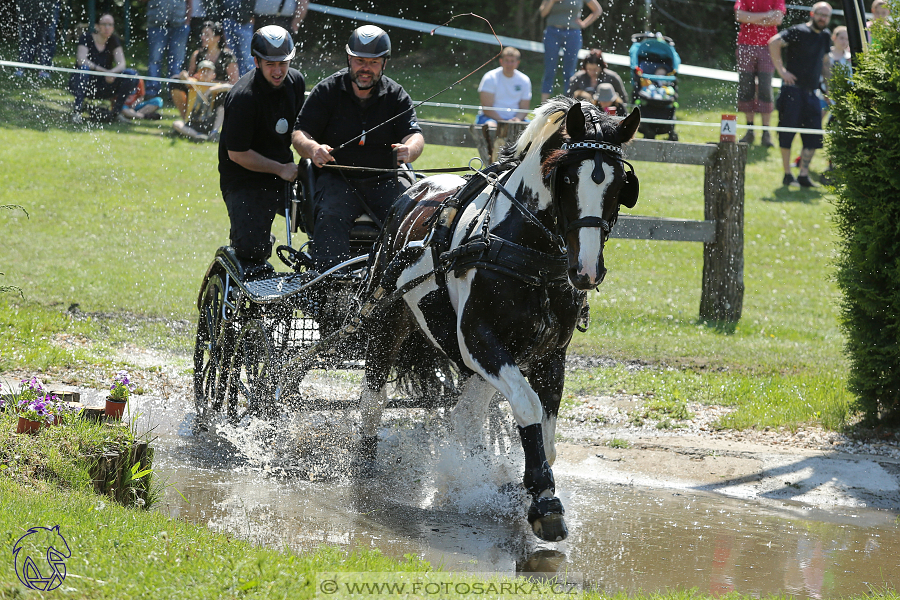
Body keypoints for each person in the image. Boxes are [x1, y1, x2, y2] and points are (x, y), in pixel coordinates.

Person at [292, 25, 424, 271]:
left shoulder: (396, 95)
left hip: (384, 178)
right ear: (349, 59)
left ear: (384, 63)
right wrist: (312, 148)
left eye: (373, 62)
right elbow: (299, 133)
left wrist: (410, 150)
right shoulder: (327, 90)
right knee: (331, 214)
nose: (365, 68)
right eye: (359, 60)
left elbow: (414, 135)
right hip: (337, 178)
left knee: (409, 216)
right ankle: (330, 285)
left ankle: (396, 281)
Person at [218, 25, 305, 272]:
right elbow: (236, 154)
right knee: (251, 251)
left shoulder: (296, 82)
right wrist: (280, 169)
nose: (278, 71)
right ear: (256, 61)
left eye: (283, 63)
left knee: (327, 213)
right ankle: (251, 243)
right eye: (270, 64)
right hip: (244, 179)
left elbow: (301, 128)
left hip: (286, 171)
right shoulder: (243, 97)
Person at [768, 1, 832, 188]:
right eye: (820, 14)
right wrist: (781, 70)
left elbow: (825, 63)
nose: (823, 18)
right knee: (787, 132)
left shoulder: (826, 36)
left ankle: (803, 175)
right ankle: (788, 174)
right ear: (812, 14)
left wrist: (828, 89)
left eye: (826, 15)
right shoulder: (798, 31)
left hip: (812, 93)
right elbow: (774, 42)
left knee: (813, 135)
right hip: (792, 91)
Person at [68, 13, 138, 124]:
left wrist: (112, 73)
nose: (107, 27)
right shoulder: (86, 38)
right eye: (104, 24)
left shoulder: (113, 40)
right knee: (84, 70)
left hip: (104, 84)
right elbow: (81, 60)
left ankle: (116, 113)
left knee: (131, 74)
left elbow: (122, 64)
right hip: (84, 81)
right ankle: (77, 112)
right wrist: (105, 72)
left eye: (110, 24)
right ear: (97, 26)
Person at [735, 0, 785, 146]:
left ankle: (766, 132)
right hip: (745, 45)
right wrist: (767, 16)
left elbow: (777, 19)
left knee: (765, 88)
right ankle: (750, 130)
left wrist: (752, 17)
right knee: (746, 88)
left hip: (768, 46)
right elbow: (739, 16)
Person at [171, 21, 238, 120]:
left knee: (225, 94)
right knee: (175, 82)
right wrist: (184, 77)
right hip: (197, 91)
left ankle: (213, 123)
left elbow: (234, 83)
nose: (202, 37)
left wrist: (211, 85)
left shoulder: (227, 56)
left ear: (217, 38)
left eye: (207, 35)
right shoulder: (197, 54)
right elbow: (190, 77)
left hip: (218, 92)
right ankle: (188, 119)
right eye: (202, 34)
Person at [539, 0, 603, 103]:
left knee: (569, 72)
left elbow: (597, 10)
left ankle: (567, 103)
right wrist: (552, 1)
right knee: (549, 70)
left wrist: (584, 24)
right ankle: (544, 104)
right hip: (552, 32)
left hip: (573, 33)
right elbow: (543, 13)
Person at [173, 60, 230, 141]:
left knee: (222, 108)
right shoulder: (193, 82)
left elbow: (228, 86)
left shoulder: (215, 85)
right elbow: (182, 79)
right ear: (197, 74)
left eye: (208, 71)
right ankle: (198, 136)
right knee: (176, 124)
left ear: (214, 75)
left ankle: (214, 133)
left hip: (208, 122)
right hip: (192, 122)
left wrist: (210, 90)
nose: (205, 73)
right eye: (202, 71)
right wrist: (183, 76)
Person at [144, 0, 191, 100]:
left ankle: (174, 93)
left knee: (176, 61)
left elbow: (189, 2)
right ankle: (151, 92)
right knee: (155, 60)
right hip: (156, 23)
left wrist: (187, 22)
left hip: (179, 24)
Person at [476, 46, 532, 128]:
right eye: (506, 61)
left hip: (515, 120)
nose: (509, 64)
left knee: (534, 130)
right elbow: (487, 108)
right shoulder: (490, 77)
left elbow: (524, 108)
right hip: (491, 118)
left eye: (512, 61)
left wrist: (517, 120)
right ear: (501, 61)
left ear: (517, 63)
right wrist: (504, 122)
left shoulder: (524, 80)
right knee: (491, 127)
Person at [13, 0, 60, 79]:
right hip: (28, 15)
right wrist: (21, 15)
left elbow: (50, 3)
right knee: (26, 41)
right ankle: (21, 67)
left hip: (43, 16)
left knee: (42, 42)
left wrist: (49, 16)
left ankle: (42, 69)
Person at [221, 0, 254, 75]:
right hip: (226, 20)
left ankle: (253, 82)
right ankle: (238, 83)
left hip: (245, 21)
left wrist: (252, 15)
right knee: (232, 56)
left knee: (247, 57)